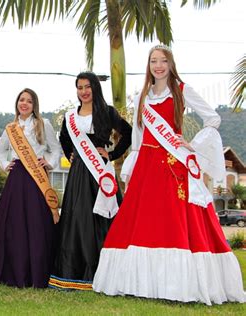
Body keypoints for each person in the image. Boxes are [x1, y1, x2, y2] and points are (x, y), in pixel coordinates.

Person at [93, 45, 245, 305]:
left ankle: (178, 285)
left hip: (172, 164)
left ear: (171, 64)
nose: (158, 65)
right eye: (153, 61)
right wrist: (133, 164)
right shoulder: (143, 95)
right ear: (148, 65)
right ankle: (140, 284)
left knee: (174, 222)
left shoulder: (182, 90)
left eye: (163, 60)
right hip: (146, 166)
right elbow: (139, 136)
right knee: (143, 222)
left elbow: (213, 119)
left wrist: (192, 145)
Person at [49, 72, 132, 290]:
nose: (84, 91)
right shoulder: (70, 117)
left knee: (101, 218)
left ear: (95, 88)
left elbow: (128, 133)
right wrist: (71, 155)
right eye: (80, 87)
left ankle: (104, 273)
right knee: (77, 217)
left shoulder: (107, 112)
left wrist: (111, 155)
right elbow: (64, 139)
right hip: (78, 173)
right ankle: (73, 272)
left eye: (88, 87)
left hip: (100, 175)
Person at [0, 88, 62, 288]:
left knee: (36, 223)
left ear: (35, 105)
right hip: (17, 178)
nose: (24, 104)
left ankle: (36, 271)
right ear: (17, 103)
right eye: (21, 100)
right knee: (13, 223)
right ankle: (13, 270)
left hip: (37, 178)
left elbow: (56, 149)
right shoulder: (11, 128)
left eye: (29, 101)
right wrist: (4, 165)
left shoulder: (44, 124)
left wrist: (49, 163)